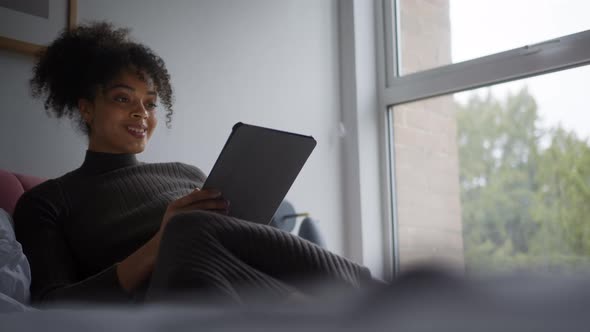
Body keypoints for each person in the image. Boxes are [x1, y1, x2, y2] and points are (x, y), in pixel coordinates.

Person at [13, 22, 375, 306]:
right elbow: (52, 304)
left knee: (266, 225)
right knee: (188, 231)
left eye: (151, 103)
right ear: (86, 108)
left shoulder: (185, 172)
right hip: (166, 294)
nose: (141, 112)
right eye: (123, 98)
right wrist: (161, 243)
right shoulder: (46, 202)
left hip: (238, 274)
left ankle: (370, 298)